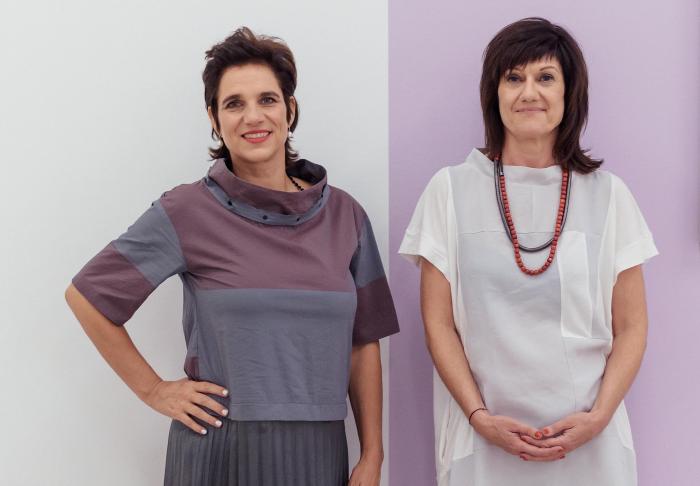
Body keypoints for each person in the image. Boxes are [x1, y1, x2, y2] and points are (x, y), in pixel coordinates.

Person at [65, 27, 399, 486]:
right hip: (219, 450)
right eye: (234, 104)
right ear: (214, 118)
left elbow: (364, 344)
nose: (253, 116)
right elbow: (87, 297)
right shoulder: (187, 210)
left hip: (320, 453)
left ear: (290, 110)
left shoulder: (346, 216)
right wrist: (154, 390)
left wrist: (373, 454)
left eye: (267, 99)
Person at [399, 17, 657, 486]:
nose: (529, 92)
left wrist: (598, 418)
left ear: (569, 92)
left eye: (546, 77)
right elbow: (438, 323)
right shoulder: (450, 191)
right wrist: (479, 418)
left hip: (590, 444)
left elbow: (632, 327)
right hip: (483, 440)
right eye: (513, 78)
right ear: (494, 93)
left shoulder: (609, 196)